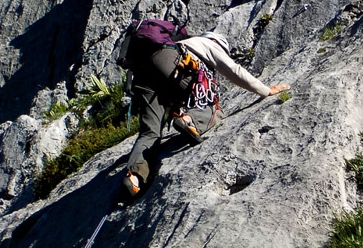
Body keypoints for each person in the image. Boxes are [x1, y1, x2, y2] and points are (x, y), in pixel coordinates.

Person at [123, 31, 289, 197]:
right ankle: (190, 121)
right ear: (218, 43)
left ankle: (134, 177)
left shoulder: (181, 43)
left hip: (142, 73)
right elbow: (234, 70)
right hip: (171, 62)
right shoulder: (208, 43)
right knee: (212, 107)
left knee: (149, 133)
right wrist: (265, 90)